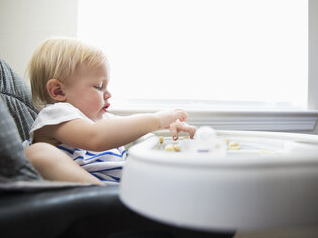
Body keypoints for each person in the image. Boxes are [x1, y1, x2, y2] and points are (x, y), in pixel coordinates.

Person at [23, 37, 196, 185]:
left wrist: (166, 126)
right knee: (36, 154)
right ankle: (100, 195)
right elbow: (95, 138)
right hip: (95, 193)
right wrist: (157, 119)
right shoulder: (56, 114)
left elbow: (129, 128)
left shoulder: (102, 119)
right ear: (58, 92)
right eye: (98, 86)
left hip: (129, 184)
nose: (108, 93)